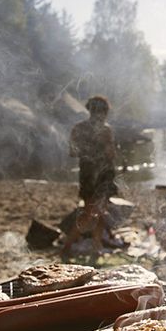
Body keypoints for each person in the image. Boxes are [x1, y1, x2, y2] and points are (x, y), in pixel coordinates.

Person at [62, 95, 117, 256]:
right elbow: (111, 154)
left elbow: (73, 152)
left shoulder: (78, 128)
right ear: (103, 112)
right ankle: (67, 246)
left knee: (98, 213)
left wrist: (87, 152)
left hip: (87, 174)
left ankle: (96, 246)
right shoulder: (106, 130)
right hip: (101, 176)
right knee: (91, 213)